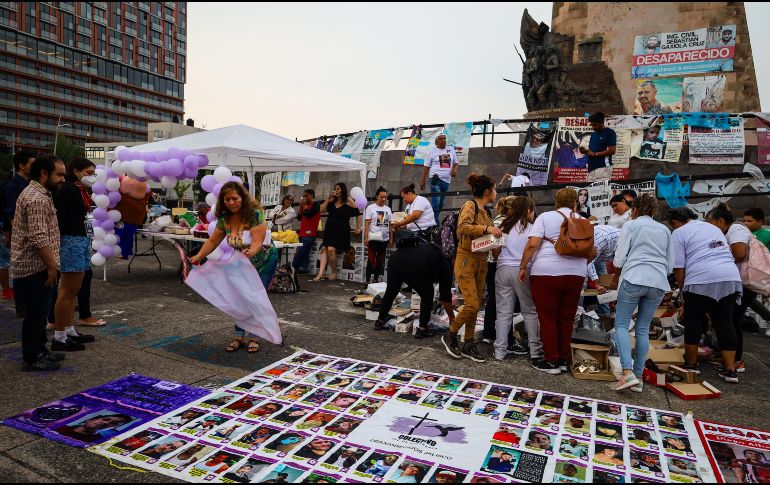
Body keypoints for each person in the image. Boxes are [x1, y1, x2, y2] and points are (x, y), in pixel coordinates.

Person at [190, 182, 278, 354]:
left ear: (242, 198)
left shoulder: (255, 214)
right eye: (227, 199)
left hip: (264, 261)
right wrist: (199, 256)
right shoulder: (224, 219)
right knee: (238, 298)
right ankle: (238, 335)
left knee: (254, 298)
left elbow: (258, 241)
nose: (231, 203)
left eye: (235, 198)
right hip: (242, 262)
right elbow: (213, 241)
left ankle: (253, 337)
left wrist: (251, 251)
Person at [667, 207, 742, 383]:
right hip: (729, 276)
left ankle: (692, 365)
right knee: (725, 321)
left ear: (676, 222)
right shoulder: (713, 228)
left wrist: (683, 291)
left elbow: (679, 267)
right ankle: (730, 370)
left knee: (694, 319)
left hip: (700, 278)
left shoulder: (679, 232)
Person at [519, 188, 589, 375]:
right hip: (576, 275)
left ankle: (551, 361)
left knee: (547, 317)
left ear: (556, 202)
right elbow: (592, 250)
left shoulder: (545, 217)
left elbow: (533, 244)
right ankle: (564, 359)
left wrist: (523, 266)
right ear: (575, 202)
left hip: (546, 273)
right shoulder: (583, 221)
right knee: (566, 318)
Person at [11, 155, 66, 371]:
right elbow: (38, 237)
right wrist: (51, 267)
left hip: (40, 264)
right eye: (59, 174)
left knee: (41, 313)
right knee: (35, 315)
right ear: (43, 174)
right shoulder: (36, 198)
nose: (63, 179)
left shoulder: (42, 193)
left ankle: (41, 350)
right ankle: (32, 357)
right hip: (35, 267)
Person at [611, 209, 675, 389]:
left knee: (621, 325)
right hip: (658, 281)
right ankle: (638, 378)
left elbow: (619, 258)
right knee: (643, 328)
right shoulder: (664, 229)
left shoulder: (630, 225)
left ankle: (627, 372)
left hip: (633, 277)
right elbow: (670, 263)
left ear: (636, 209)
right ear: (655, 210)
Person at [441, 174, 500, 363]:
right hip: (466, 260)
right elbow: (462, 228)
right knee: (472, 304)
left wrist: (496, 241)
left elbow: (485, 237)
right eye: (495, 188)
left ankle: (468, 342)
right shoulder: (470, 206)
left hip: (482, 261)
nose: (496, 192)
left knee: (475, 306)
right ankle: (450, 334)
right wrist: (487, 230)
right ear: (486, 191)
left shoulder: (488, 212)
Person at [49, 157, 99, 352]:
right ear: (76, 171)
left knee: (74, 290)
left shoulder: (80, 190)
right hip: (70, 241)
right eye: (88, 172)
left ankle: (69, 330)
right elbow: (60, 218)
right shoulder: (68, 190)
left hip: (80, 239)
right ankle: (59, 336)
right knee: (68, 291)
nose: (91, 177)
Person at [494, 196, 543, 362]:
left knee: (503, 313)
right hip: (523, 271)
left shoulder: (503, 226)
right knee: (529, 311)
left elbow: (495, 252)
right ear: (528, 210)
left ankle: (500, 351)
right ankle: (535, 351)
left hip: (502, 270)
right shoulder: (533, 228)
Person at [374, 242, 455, 339]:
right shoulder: (446, 263)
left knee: (391, 291)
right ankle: (422, 329)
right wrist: (452, 318)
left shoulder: (438, 251)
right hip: (417, 263)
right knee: (427, 294)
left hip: (395, 258)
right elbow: (445, 296)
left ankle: (380, 321)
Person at [706, 203, 751, 375]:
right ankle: (725, 354)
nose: (709, 226)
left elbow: (739, 253)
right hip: (734, 280)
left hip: (741, 281)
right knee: (726, 319)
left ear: (721, 220)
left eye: (711, 222)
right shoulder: (729, 231)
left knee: (732, 320)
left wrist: (719, 256)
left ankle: (737, 360)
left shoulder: (736, 230)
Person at [5, 149, 34, 318]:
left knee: (29, 270)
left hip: (29, 233)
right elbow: (11, 214)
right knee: (19, 270)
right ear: (22, 166)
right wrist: (18, 235)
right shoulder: (13, 186)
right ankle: (21, 304)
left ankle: (27, 302)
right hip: (20, 235)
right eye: (32, 164)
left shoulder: (29, 184)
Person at [312, 183, 361, 282]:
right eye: (335, 189)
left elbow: (358, 213)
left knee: (330, 249)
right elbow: (321, 210)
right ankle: (321, 273)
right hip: (330, 228)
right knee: (325, 249)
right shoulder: (331, 201)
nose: (336, 191)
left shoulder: (348, 200)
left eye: (338, 189)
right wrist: (327, 199)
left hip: (342, 230)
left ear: (343, 190)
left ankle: (334, 272)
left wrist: (358, 227)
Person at [420, 133, 459, 225]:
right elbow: (426, 166)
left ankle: (433, 220)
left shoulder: (451, 149)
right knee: (436, 202)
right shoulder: (433, 151)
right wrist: (422, 180)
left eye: (444, 138)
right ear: (436, 142)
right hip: (435, 179)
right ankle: (434, 223)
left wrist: (454, 170)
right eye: (441, 139)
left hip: (446, 181)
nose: (443, 140)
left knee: (441, 204)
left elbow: (456, 163)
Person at [741, 208, 770, 326]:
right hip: (744, 273)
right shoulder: (744, 232)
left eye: (750, 221)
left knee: (748, 299)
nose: (746, 223)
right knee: (748, 300)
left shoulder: (765, 235)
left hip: (758, 274)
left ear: (760, 222)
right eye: (744, 221)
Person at [364, 187, 393, 284]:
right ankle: (367, 281)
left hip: (384, 239)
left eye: (386, 197)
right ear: (377, 196)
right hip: (373, 237)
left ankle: (375, 279)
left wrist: (391, 238)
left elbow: (390, 224)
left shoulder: (388, 209)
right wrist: (366, 237)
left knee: (380, 261)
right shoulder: (370, 208)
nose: (384, 199)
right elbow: (367, 223)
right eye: (382, 197)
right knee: (371, 260)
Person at [580, 112, 616, 182]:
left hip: (602, 168)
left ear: (601, 123)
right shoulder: (593, 135)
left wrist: (595, 154)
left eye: (595, 125)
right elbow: (592, 151)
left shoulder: (610, 132)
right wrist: (586, 151)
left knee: (601, 192)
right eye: (591, 125)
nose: (593, 127)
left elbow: (612, 150)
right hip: (591, 169)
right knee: (590, 192)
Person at [292, 189, 322, 274]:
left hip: (310, 231)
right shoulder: (305, 206)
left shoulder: (316, 204)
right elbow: (299, 218)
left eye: (306, 195)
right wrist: (301, 207)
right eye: (303, 195)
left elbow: (309, 215)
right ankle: (304, 267)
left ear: (311, 195)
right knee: (304, 251)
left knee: (301, 249)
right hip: (302, 231)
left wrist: (304, 206)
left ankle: (294, 265)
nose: (304, 197)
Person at [54, 412, 133, 443]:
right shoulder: (60, 427)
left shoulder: (98, 442)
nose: (105, 423)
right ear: (92, 419)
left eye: (113, 423)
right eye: (106, 419)